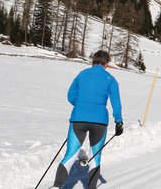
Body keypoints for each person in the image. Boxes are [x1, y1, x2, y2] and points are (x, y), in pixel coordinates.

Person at [51, 51, 123, 189]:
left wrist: (81, 105)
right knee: (95, 157)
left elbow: (70, 95)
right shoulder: (111, 79)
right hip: (100, 122)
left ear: (92, 62)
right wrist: (118, 121)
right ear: (106, 64)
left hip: (78, 119)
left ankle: (57, 186)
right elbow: (116, 102)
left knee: (70, 154)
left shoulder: (82, 75)